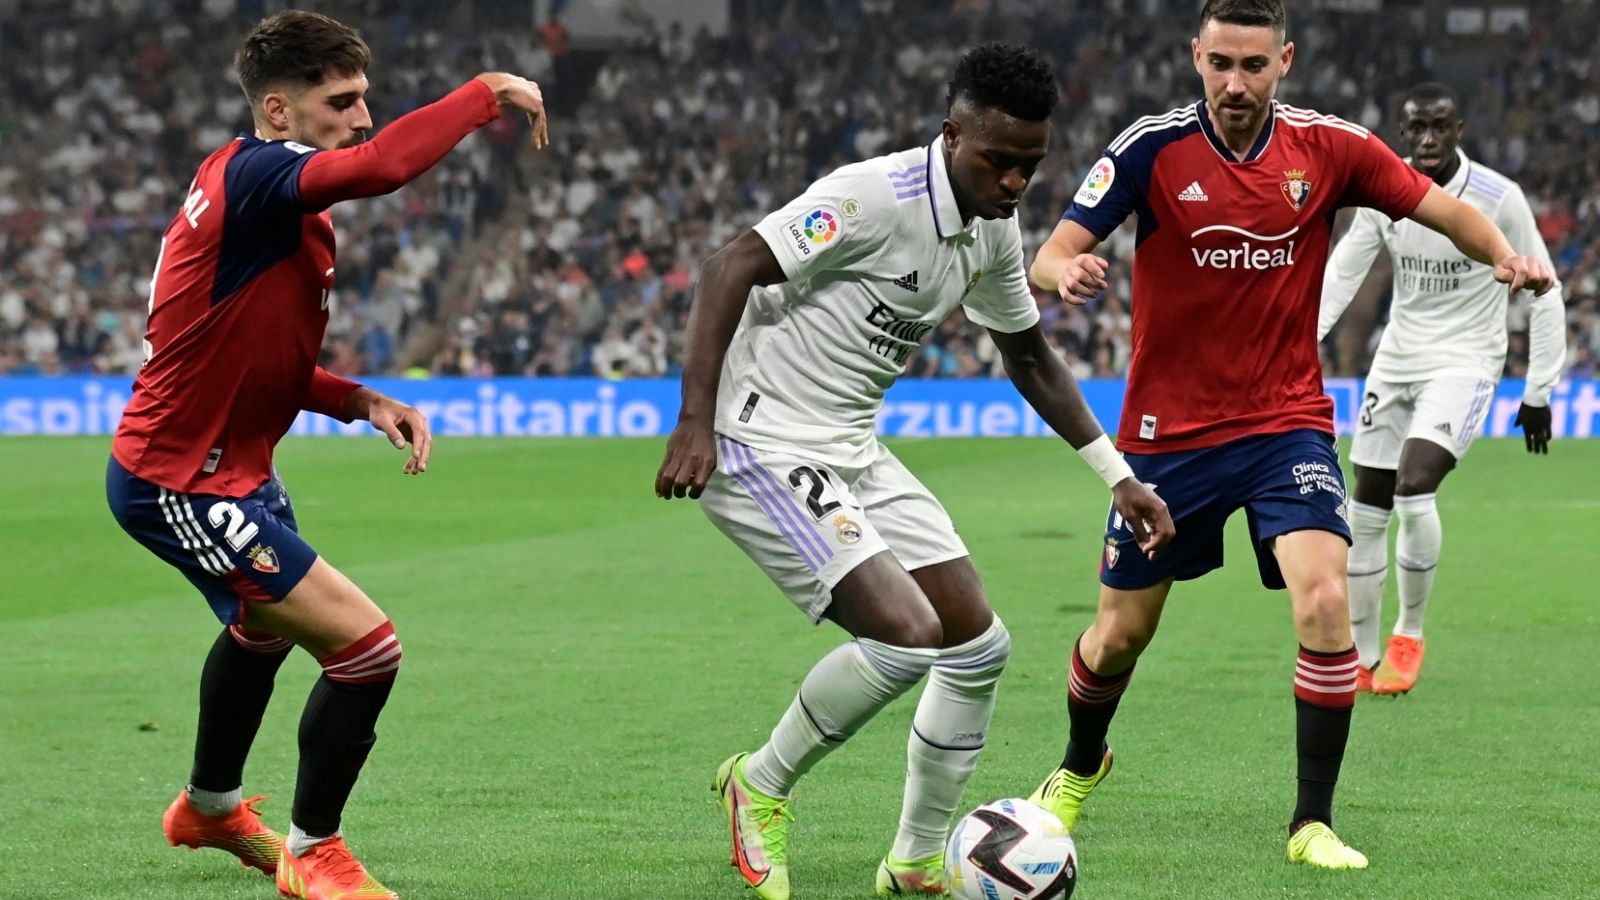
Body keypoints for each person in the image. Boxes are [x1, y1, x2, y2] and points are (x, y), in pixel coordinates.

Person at [1023, 0, 1554, 871]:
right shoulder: (1150, 148)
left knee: (1326, 601)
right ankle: (1082, 764)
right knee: (1119, 634)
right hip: (1167, 435)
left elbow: (1431, 205)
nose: (1235, 83)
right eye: (1220, 63)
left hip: (1285, 425)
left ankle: (1312, 822)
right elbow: (1051, 249)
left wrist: (1502, 254)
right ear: (1196, 56)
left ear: (1286, 61)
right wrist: (1065, 268)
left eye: (1254, 65)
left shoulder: (1329, 147)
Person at [654, 43, 1172, 900]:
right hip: (759, 440)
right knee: (905, 635)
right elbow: (730, 266)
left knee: (977, 645)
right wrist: (694, 422)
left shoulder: (993, 231)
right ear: (951, 134)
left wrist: (1116, 476)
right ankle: (760, 785)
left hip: (851, 446)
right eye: (998, 161)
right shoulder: (869, 198)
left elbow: (1031, 357)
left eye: (1030, 167)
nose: (1014, 184)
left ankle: (917, 861)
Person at [104, 11, 547, 899]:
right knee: (366, 649)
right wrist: (486, 94)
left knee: (262, 630)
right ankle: (316, 852)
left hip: (236, 468)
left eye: (364, 98)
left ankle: (212, 807)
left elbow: (248, 348)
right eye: (340, 101)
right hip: (178, 479)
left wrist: (355, 398)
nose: (362, 117)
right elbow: (382, 169)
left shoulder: (247, 183)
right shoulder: (268, 177)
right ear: (278, 111)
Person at [1319, 82, 1566, 696]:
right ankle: (1363, 655)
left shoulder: (1497, 198)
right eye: (1416, 129)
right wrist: (1298, 341)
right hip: (1397, 359)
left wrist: (1539, 390)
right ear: (1403, 134)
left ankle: (1410, 631)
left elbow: (1546, 287)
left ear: (1458, 129)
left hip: (1466, 361)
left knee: (1413, 485)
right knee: (1365, 506)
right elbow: (1342, 272)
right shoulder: (1384, 194)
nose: (1427, 139)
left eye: (1439, 126)